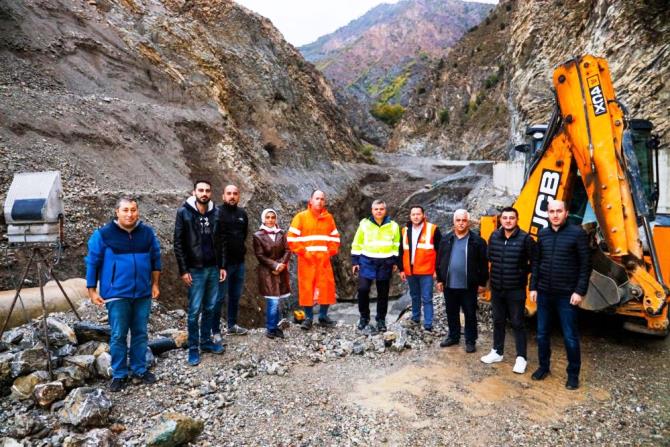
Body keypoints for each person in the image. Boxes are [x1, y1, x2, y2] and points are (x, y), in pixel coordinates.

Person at [85, 196, 161, 392]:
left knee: (140, 332)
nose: (130, 214)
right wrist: (92, 290)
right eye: (125, 210)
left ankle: (139, 369)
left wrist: (155, 284)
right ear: (117, 212)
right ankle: (119, 373)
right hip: (117, 293)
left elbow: (155, 259)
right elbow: (92, 262)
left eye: (133, 210)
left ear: (138, 212)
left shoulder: (147, 233)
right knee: (118, 334)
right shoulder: (103, 235)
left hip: (142, 293)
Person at [530, 199, 591, 390]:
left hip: (567, 296)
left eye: (559, 211)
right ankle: (543, 367)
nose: (555, 215)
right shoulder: (544, 234)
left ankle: (573, 375)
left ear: (566, 213)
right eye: (551, 211)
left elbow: (585, 265)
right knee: (541, 335)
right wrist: (533, 287)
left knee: (570, 337)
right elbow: (537, 263)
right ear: (547, 214)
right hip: (545, 294)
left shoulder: (577, 234)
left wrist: (579, 291)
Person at [174, 180, 227, 366]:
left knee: (210, 307)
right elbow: (178, 243)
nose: (204, 193)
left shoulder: (216, 213)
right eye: (201, 190)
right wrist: (183, 270)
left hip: (213, 268)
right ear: (194, 192)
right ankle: (193, 347)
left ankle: (205, 342)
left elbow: (220, 241)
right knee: (194, 310)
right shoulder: (184, 213)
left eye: (207, 190)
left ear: (211, 193)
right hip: (195, 269)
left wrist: (222, 266)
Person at [481, 207, 535, 374]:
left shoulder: (526, 239)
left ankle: (521, 358)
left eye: (511, 218)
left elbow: (535, 262)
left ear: (517, 219)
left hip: (516, 289)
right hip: (497, 288)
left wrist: (522, 273)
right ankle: (497, 352)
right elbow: (489, 258)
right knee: (498, 321)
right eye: (505, 218)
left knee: (517, 323)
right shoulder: (495, 236)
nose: (508, 221)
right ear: (501, 220)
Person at [436, 209, 488, 353]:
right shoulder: (446, 239)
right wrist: (440, 279)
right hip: (449, 284)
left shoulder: (477, 241)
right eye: (458, 220)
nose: (461, 223)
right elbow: (439, 260)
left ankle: (470, 341)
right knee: (451, 311)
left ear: (468, 222)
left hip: (469, 285)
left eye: (463, 220)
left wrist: (483, 283)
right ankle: (453, 336)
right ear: (453, 222)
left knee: (470, 313)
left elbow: (484, 264)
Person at [287, 190, 340, 330]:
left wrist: (329, 252)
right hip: (307, 260)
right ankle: (308, 318)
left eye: (322, 198)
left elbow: (335, 238)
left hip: (323, 260)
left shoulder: (329, 218)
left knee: (326, 287)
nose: (320, 201)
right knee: (307, 288)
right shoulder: (301, 217)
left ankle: (323, 316)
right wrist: (305, 253)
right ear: (311, 200)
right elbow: (291, 239)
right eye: (317, 198)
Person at [351, 200, 400, 333]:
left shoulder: (393, 226)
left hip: (385, 263)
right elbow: (357, 243)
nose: (379, 211)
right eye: (376, 209)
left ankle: (381, 320)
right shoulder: (364, 224)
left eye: (381, 209)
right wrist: (355, 261)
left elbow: (396, 245)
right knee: (363, 289)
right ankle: (364, 317)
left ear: (385, 210)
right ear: (372, 210)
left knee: (383, 293)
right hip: (367, 261)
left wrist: (395, 261)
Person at [398, 205, 442, 331]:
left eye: (418, 214)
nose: (416, 217)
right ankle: (415, 318)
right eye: (413, 214)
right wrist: (401, 269)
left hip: (426, 271)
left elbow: (440, 251)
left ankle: (428, 324)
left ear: (423, 215)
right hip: (410, 271)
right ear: (410, 216)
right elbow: (401, 250)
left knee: (427, 297)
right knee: (414, 295)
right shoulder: (405, 230)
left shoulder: (433, 229)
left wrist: (437, 271)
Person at [214, 184, 249, 338]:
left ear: (239, 196)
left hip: (239, 262)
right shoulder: (217, 213)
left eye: (235, 193)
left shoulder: (243, 214)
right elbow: (215, 240)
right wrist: (220, 264)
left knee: (235, 295)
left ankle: (232, 325)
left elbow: (244, 235)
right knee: (219, 297)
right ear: (223, 196)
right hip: (223, 265)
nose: (232, 196)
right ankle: (214, 330)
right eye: (229, 193)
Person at [252, 209, 291, 339]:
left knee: (278, 300)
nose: (270, 220)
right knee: (272, 301)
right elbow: (260, 255)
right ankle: (270, 328)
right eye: (267, 217)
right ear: (263, 219)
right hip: (267, 273)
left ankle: (274, 327)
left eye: (272, 217)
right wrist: (274, 265)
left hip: (280, 271)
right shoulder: (258, 235)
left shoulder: (281, 233)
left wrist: (281, 265)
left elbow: (287, 250)